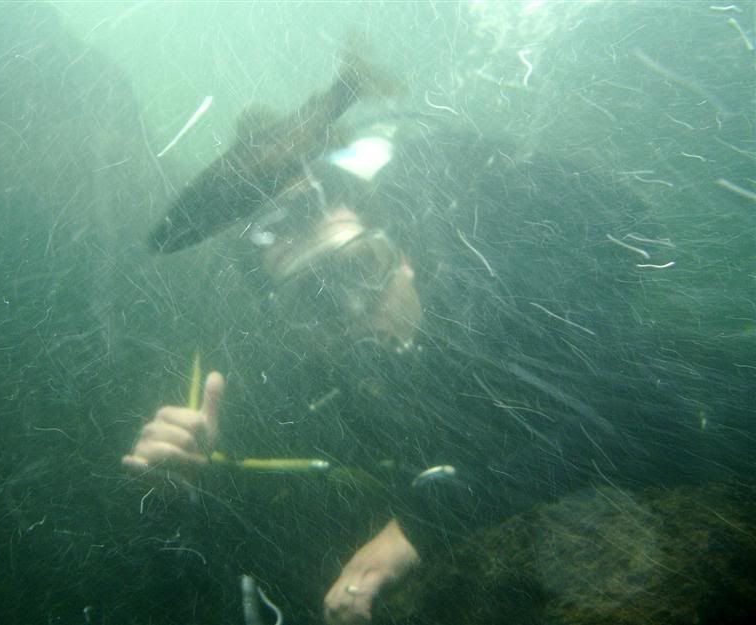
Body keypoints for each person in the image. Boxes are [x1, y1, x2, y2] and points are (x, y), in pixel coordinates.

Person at [123, 116, 714, 624]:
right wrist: (179, 498)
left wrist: (434, 520)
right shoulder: (286, 405)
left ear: (404, 255)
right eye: (313, 301)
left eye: (364, 266)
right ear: (288, 330)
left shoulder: (502, 303)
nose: (355, 311)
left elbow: (658, 418)